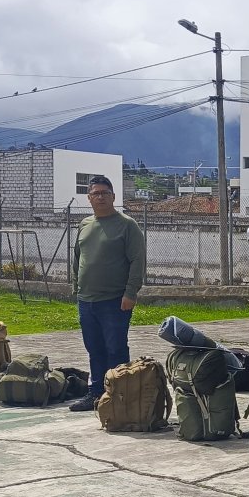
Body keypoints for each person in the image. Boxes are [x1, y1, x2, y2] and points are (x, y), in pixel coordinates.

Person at [68, 176, 145, 412]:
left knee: (116, 348)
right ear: (89, 198)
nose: (100, 197)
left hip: (115, 300)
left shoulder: (127, 224)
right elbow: (78, 259)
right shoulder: (84, 224)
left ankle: (121, 395)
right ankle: (96, 393)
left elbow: (137, 261)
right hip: (87, 300)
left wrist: (130, 293)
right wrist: (76, 288)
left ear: (113, 196)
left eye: (104, 193)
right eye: (95, 194)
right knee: (94, 348)